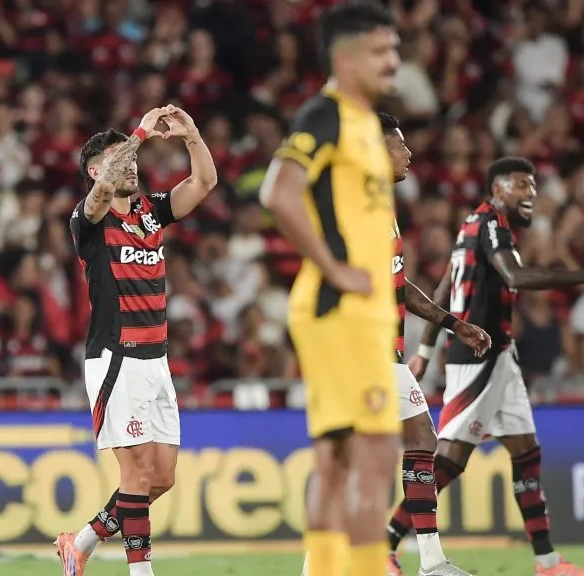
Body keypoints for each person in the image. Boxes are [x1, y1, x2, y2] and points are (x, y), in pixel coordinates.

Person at [299, 113, 492, 576]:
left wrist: (454, 324)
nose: (409, 153)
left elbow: (398, 284)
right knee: (350, 459)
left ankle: (430, 561)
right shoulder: (350, 203)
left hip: (383, 350)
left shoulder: (380, 205)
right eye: (399, 145)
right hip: (355, 347)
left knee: (416, 440)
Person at [399, 157, 584, 576]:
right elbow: (515, 277)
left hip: (498, 355)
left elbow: (446, 284)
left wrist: (427, 348)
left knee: (526, 452)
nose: (531, 193)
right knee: (448, 460)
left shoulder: (473, 225)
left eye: (533, 186)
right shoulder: (491, 223)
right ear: (497, 189)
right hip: (479, 357)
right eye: (521, 185)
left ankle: (547, 562)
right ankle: (387, 542)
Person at [259, 3, 402, 575]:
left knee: (337, 460)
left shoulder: (365, 123)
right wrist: (335, 269)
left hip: (348, 314)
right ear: (346, 59)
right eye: (380, 51)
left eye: (394, 49)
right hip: (343, 310)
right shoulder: (328, 115)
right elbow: (279, 192)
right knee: (375, 455)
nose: (393, 61)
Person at [55, 104, 218, 576]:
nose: (131, 166)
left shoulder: (151, 213)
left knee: (161, 478)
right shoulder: (89, 220)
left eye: (132, 160)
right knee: (137, 474)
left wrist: (191, 135)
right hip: (116, 358)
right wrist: (141, 133)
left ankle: (80, 542)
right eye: (119, 160)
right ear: (94, 172)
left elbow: (204, 182)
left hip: (156, 360)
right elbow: (104, 190)